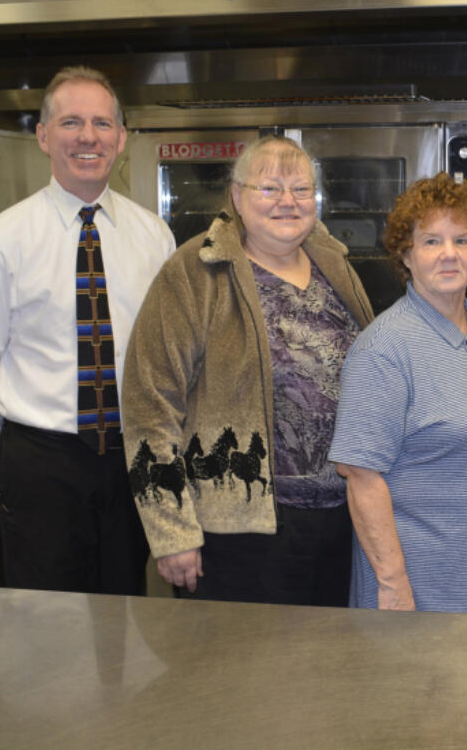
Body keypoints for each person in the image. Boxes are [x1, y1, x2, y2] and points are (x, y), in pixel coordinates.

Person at [0, 65, 175, 594]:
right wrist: (17, 443)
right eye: (71, 122)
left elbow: (166, 354)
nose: (88, 137)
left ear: (121, 138)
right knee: (47, 626)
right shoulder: (2, 240)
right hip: (42, 462)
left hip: (130, 457)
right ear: (44, 136)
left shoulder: (154, 236)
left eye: (102, 123)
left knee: (126, 610)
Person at [122, 135, 373, 604]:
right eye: (269, 188)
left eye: (301, 189)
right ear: (237, 197)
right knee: (238, 671)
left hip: (340, 521)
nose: (287, 201)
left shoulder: (335, 264)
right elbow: (148, 406)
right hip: (236, 531)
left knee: (330, 668)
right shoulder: (195, 272)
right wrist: (172, 532)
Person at [329, 173, 467, 614]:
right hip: (420, 590)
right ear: (405, 254)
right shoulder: (384, 347)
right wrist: (393, 586)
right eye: (431, 242)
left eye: (461, 240)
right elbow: (360, 476)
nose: (448, 255)